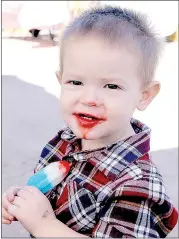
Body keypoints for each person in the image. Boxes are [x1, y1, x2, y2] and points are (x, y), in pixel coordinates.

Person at [2, 5, 178, 238]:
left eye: (111, 86)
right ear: (60, 80)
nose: (89, 99)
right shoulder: (64, 141)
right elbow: (46, 193)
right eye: (76, 82)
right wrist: (24, 198)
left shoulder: (137, 185)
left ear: (144, 95)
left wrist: (44, 225)